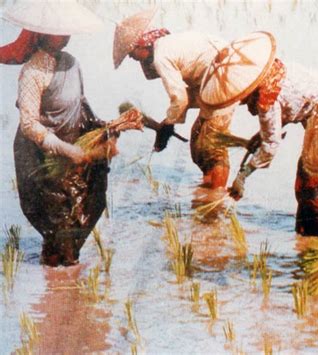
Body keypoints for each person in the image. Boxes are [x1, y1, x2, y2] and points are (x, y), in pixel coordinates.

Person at [199, 31, 318, 236]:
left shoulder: (266, 100)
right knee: (307, 184)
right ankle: (309, 238)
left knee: (313, 185)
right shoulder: (275, 72)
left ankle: (311, 240)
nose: (242, 102)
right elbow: (287, 111)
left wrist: (242, 177)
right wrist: (261, 136)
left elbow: (271, 147)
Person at [1, 3, 111, 266]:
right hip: (41, 157)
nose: (64, 35)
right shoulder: (33, 72)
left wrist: (106, 130)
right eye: (57, 32)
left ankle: (60, 281)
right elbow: (29, 125)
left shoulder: (72, 63)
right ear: (42, 33)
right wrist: (66, 150)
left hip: (72, 152)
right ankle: (59, 285)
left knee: (82, 213)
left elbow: (81, 106)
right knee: (57, 225)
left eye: (66, 31)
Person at [113, 8, 237, 188]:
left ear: (141, 45)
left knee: (212, 146)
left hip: (224, 78)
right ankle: (206, 189)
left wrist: (168, 124)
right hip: (213, 80)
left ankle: (216, 200)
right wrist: (168, 121)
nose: (131, 57)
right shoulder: (166, 45)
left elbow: (179, 98)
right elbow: (187, 96)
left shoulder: (162, 56)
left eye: (131, 52)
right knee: (197, 144)